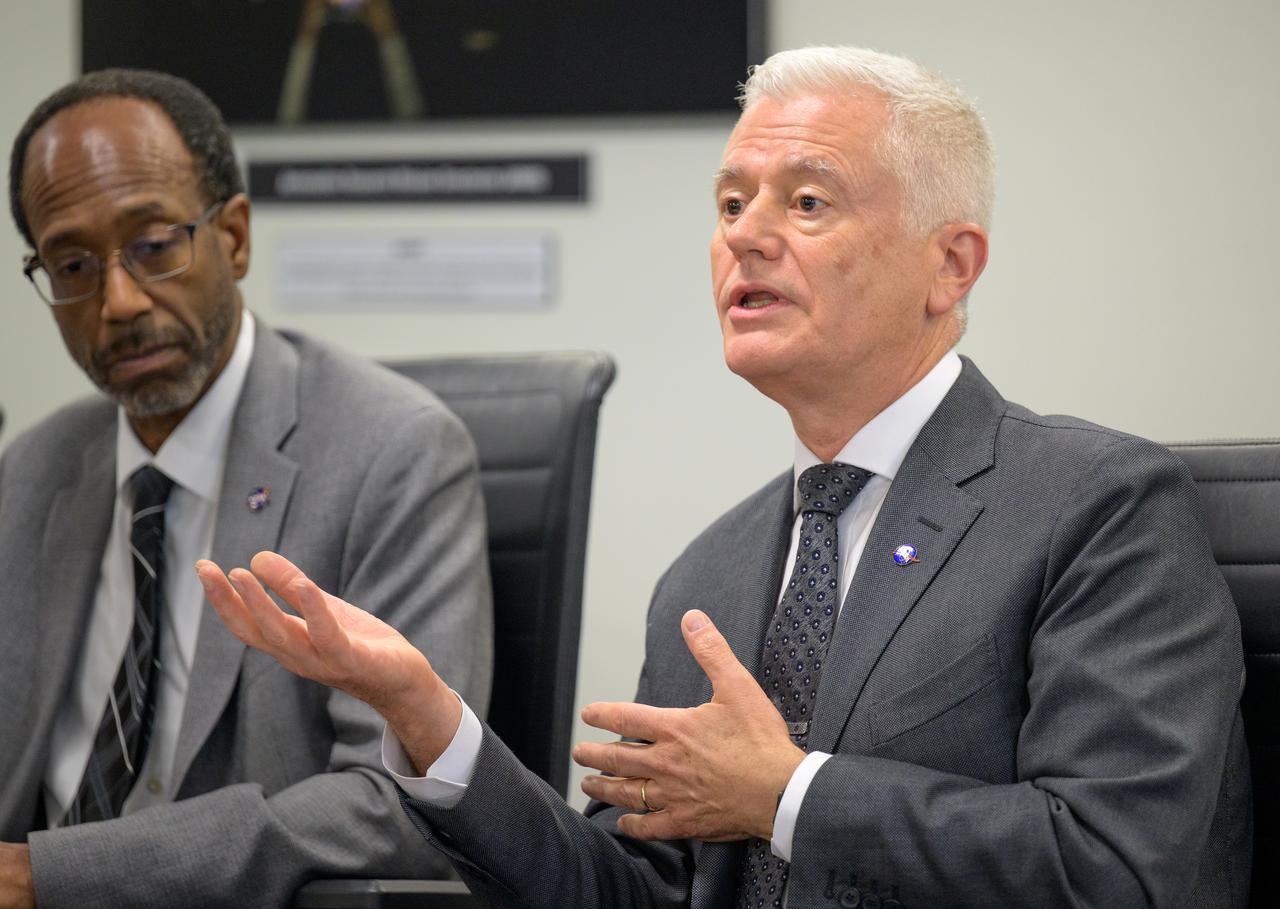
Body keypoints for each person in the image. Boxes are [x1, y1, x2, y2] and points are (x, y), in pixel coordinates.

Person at [197, 46, 1251, 907]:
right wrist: (428, 716)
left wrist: (788, 793)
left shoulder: (1096, 505)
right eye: (729, 202)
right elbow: (627, 892)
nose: (743, 234)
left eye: (803, 203)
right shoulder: (710, 572)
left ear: (950, 265)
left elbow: (1120, 866)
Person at [0, 69, 492, 908]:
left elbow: (399, 807)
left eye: (154, 245)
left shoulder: (394, 450)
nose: (116, 302)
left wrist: (55, 876)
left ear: (233, 236)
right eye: (72, 263)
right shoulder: (34, 469)